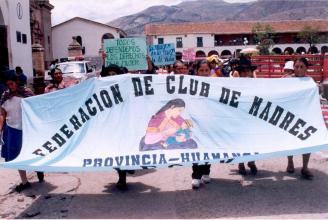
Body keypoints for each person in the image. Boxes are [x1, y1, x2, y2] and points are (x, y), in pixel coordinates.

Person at [0, 74, 44, 192]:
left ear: (17, 82)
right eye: (8, 84)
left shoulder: (26, 93)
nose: (10, 86)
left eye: (12, 83)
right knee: (17, 156)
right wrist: (0, 128)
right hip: (11, 130)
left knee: (32, 152)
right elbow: (2, 113)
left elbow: (36, 107)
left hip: (27, 130)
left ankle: (38, 168)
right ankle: (25, 182)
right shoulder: (5, 95)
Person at [100, 64, 135, 190]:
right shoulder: (102, 88)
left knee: (125, 149)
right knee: (114, 151)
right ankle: (122, 173)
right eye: (108, 75)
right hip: (111, 125)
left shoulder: (126, 88)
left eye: (113, 74)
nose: (111, 77)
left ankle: (123, 176)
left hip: (126, 124)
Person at [285, 57, 313, 179]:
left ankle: (305, 167)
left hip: (306, 116)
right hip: (291, 116)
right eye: (296, 66)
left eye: (302, 67)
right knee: (290, 141)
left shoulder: (310, 82)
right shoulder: (287, 80)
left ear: (306, 68)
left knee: (308, 141)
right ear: (293, 68)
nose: (299, 69)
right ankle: (290, 162)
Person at [232, 55, 258, 175]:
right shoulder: (233, 84)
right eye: (243, 71)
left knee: (252, 138)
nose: (245, 73)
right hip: (238, 116)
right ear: (239, 72)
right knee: (240, 140)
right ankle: (241, 163)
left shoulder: (256, 83)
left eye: (247, 70)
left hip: (252, 116)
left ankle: (251, 161)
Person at [191, 60, 212, 189]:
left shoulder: (217, 84)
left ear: (210, 71)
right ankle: (196, 176)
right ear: (197, 71)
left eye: (206, 70)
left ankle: (206, 172)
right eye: (201, 70)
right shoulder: (190, 84)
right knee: (196, 148)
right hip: (195, 121)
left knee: (209, 147)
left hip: (210, 122)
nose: (204, 73)